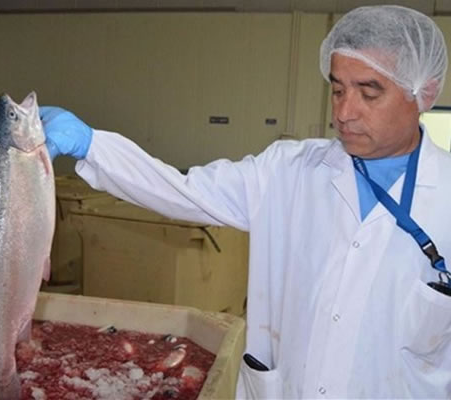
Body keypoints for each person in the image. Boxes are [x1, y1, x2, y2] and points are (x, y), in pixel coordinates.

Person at [39, 5, 451, 398]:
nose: (344, 112)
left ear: (424, 93)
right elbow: (183, 191)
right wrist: (92, 145)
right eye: (338, 89)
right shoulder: (288, 171)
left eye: (369, 93)